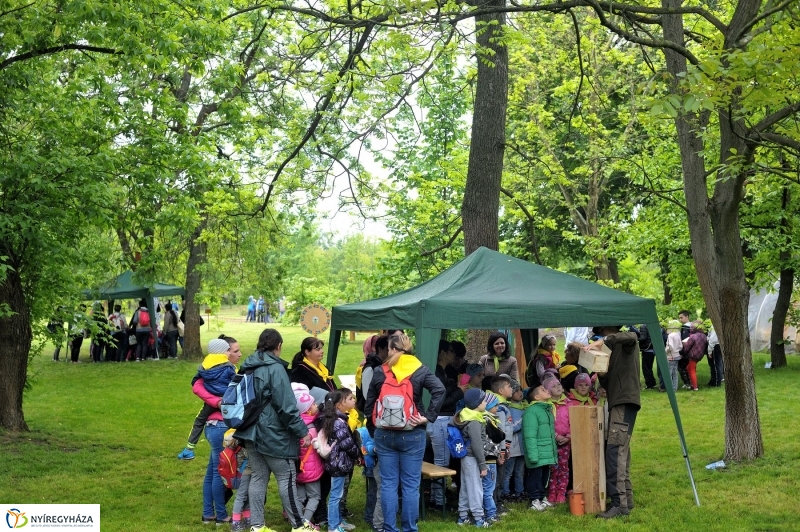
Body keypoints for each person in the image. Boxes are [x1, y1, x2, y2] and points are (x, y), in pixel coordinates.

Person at [233, 328, 315, 532]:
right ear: (278, 347)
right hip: (273, 434)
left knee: (258, 477)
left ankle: (257, 526)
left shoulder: (247, 365)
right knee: (286, 477)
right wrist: (302, 431)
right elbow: (287, 407)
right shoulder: (275, 369)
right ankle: (299, 525)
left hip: (250, 431)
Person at [364, 334, 445, 532]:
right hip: (412, 432)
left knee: (389, 485)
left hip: (384, 434)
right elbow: (440, 390)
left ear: (392, 349)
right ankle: (409, 528)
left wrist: (375, 430)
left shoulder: (379, 371)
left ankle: (389, 528)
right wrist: (428, 417)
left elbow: (368, 405)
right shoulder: (419, 369)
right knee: (410, 485)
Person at [587, 325, 641, 518]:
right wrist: (601, 372)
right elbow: (608, 383)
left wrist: (605, 341)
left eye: (600, 331)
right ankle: (627, 500)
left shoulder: (624, 340)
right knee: (620, 451)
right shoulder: (611, 348)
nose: (599, 334)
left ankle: (619, 504)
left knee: (615, 451)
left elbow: (633, 336)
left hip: (624, 400)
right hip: (618, 401)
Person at [192, 337, 243, 525]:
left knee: (211, 471)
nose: (239, 354)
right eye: (235, 351)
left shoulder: (208, 370)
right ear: (225, 352)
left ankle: (208, 513)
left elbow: (197, 385)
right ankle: (221, 516)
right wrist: (219, 402)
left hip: (212, 425)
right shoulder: (227, 370)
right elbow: (195, 386)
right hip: (222, 425)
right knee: (218, 472)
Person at [178, 335, 240, 461]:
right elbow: (237, 385)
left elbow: (195, 382)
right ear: (224, 352)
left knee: (199, 420)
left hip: (210, 406)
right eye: (232, 351)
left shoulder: (204, 367)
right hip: (228, 404)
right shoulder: (230, 367)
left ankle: (189, 448)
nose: (239, 354)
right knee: (222, 465)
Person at [428, 340, 465, 511]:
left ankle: (437, 497)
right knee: (441, 462)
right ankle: (438, 502)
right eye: (450, 350)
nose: (453, 354)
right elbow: (441, 403)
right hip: (440, 419)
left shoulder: (441, 372)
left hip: (442, 420)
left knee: (441, 460)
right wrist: (460, 391)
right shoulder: (436, 372)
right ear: (442, 353)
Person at [319, 389, 360, 532]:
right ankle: (333, 526)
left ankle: (338, 521)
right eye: (349, 398)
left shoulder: (335, 419)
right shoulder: (338, 422)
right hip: (339, 463)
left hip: (338, 462)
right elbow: (346, 443)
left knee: (338, 493)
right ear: (339, 404)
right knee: (336, 495)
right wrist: (357, 454)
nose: (354, 400)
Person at [451, 388, 491, 528]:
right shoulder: (474, 421)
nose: (486, 402)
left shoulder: (465, 415)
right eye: (484, 400)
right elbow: (477, 445)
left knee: (467, 487)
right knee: (475, 488)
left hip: (465, 458)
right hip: (473, 458)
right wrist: (482, 465)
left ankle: (462, 517)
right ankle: (479, 518)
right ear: (477, 403)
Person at [295, 386, 324, 530]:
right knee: (315, 496)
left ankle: (298, 521)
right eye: (313, 404)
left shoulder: (296, 424)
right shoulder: (312, 427)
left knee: (300, 497)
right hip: (311, 470)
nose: (316, 405)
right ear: (307, 409)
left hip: (298, 468)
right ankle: (305, 522)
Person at [523, 384, 556, 511]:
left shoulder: (545, 410)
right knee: (535, 477)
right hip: (537, 452)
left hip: (545, 451)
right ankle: (534, 500)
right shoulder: (531, 412)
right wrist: (533, 455)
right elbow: (529, 435)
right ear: (536, 397)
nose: (547, 390)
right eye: (543, 390)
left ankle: (542, 498)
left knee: (544, 476)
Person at [543, 377, 570, 505]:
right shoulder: (547, 406)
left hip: (566, 442)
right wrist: (555, 436)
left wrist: (568, 437)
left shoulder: (568, 403)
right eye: (554, 386)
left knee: (563, 468)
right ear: (548, 391)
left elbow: (574, 422)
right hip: (551, 441)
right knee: (553, 469)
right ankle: (552, 493)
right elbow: (545, 424)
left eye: (559, 384)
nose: (558, 387)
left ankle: (561, 494)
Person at [501, 380, 526, 502]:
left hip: (522, 446)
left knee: (520, 472)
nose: (519, 393)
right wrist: (522, 422)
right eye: (516, 391)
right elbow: (510, 427)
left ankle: (519, 492)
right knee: (508, 472)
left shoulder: (524, 407)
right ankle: (505, 492)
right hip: (512, 447)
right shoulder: (508, 408)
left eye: (520, 390)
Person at [228, 430, 252, 532]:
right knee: (241, 496)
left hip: (246, 470)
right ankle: (236, 522)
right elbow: (250, 455)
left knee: (246, 495)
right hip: (245, 471)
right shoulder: (243, 440)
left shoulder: (238, 436)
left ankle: (247, 518)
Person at [683, 321, 708, 391]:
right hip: (700, 355)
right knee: (688, 368)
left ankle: (695, 387)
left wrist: (684, 350)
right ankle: (693, 384)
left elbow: (687, 347)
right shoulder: (704, 335)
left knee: (692, 370)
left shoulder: (693, 336)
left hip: (693, 355)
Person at [663, 320, 683, 392]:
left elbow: (670, 346)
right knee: (675, 373)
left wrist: (666, 350)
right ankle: (674, 388)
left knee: (669, 373)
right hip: (677, 355)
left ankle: (669, 388)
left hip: (671, 356)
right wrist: (676, 350)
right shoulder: (678, 334)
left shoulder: (670, 336)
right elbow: (681, 346)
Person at [637, 324, 657, 390]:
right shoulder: (653, 325)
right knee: (649, 367)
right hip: (653, 349)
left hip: (647, 349)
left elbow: (643, 338)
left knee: (646, 368)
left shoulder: (643, 326)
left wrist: (636, 339)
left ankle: (649, 385)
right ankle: (653, 383)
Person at [677, 310, 693, 388]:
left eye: (681, 317)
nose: (680, 319)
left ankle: (688, 383)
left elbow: (685, 341)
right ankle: (689, 383)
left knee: (681, 367)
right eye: (679, 318)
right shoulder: (692, 326)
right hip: (691, 351)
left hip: (686, 351)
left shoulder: (686, 328)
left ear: (687, 316)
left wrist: (682, 353)